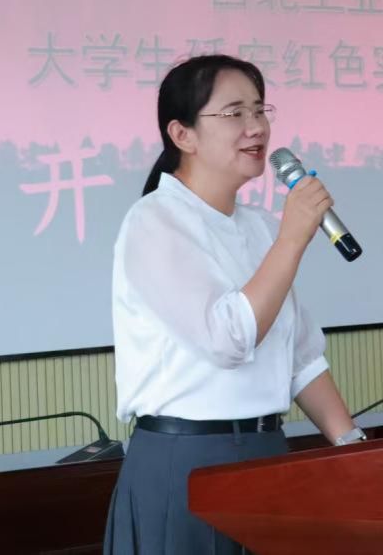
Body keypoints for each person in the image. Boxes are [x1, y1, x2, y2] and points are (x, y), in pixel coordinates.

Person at [104, 54, 364, 554]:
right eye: (235, 113)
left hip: (268, 453)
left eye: (260, 110)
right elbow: (228, 339)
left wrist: (353, 447)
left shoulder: (259, 228)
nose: (256, 127)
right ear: (182, 134)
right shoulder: (154, 222)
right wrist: (292, 239)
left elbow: (300, 357)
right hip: (187, 461)